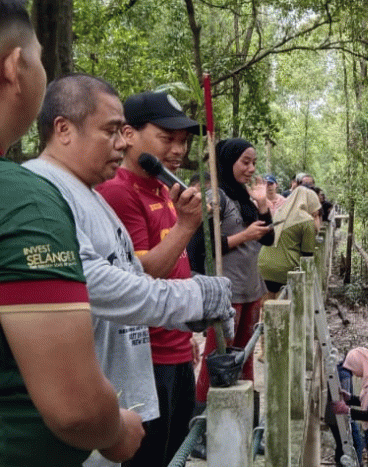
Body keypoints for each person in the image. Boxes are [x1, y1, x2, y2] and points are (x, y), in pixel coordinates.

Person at [23, 73, 235, 467]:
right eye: (111, 131)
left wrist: (192, 312)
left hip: (121, 397)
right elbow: (94, 283)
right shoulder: (42, 190)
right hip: (85, 412)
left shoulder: (88, 195)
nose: (121, 143)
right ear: (64, 129)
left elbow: (131, 273)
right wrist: (194, 297)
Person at [0, 4, 144, 465]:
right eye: (39, 58)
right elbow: (77, 408)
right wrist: (117, 430)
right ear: (14, 68)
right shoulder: (25, 200)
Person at [95, 91, 206, 467]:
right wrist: (188, 225)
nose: (178, 149)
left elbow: (177, 266)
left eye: (184, 141)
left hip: (174, 345)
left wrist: (185, 331)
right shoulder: (118, 192)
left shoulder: (163, 188)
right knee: (150, 457)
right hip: (145, 355)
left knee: (178, 450)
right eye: (167, 138)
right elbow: (137, 275)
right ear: (129, 134)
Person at [188, 137, 274, 439]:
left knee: (245, 355)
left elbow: (267, 239)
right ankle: (199, 432)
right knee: (217, 358)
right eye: (244, 162)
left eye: (253, 162)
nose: (251, 168)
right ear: (228, 162)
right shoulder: (216, 197)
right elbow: (199, 248)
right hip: (227, 292)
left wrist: (263, 207)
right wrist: (243, 236)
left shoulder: (245, 197)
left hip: (252, 289)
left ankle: (246, 426)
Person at [257, 185, 321, 300]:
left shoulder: (280, 212)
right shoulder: (307, 221)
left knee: (267, 309)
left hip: (263, 266)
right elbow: (307, 256)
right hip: (285, 271)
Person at [325, 362, 364, 467]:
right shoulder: (345, 375)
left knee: (340, 444)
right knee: (356, 443)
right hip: (339, 417)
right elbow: (342, 402)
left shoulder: (338, 369)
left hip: (330, 416)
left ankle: (339, 463)